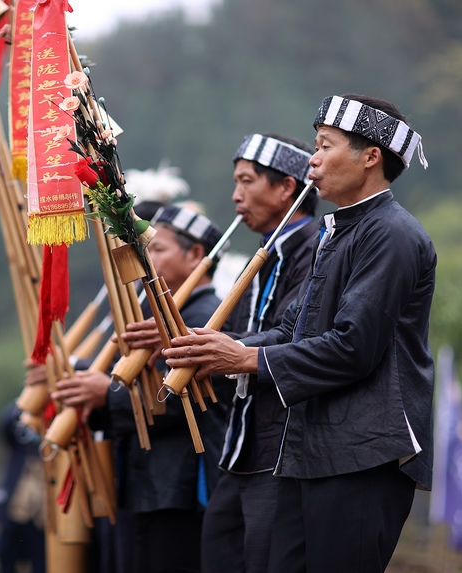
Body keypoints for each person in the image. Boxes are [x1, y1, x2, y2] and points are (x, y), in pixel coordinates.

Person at [163, 94, 435, 572]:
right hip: (311, 448)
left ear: (370, 157)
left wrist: (245, 359)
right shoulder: (339, 231)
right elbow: (293, 328)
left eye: (325, 145)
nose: (313, 157)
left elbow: (354, 347)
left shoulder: (392, 233)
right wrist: (216, 349)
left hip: (361, 453)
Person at [51, 204, 231, 573]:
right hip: (148, 483)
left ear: (196, 254)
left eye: (158, 249)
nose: (147, 258)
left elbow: (184, 401)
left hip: (178, 488)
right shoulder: (162, 315)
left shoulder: (204, 317)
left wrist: (106, 394)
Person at [189, 133, 318, 573]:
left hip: (282, 449)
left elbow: (292, 333)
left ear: (286, 187)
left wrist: (224, 348)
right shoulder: (261, 255)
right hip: (240, 447)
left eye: (246, 181)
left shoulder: (317, 247)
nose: (235, 195)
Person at [0, 404, 46, 573]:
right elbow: (5, 424)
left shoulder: (51, 448)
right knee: (6, 561)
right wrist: (27, 403)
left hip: (40, 518)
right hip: (13, 514)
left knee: (41, 564)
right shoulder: (19, 447)